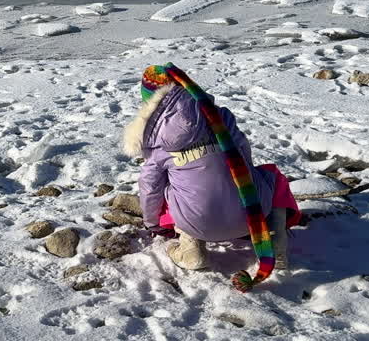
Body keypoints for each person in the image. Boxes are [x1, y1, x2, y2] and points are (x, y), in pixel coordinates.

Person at [123, 63, 300, 291]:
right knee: (272, 177)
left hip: (197, 223)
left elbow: (149, 186)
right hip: (252, 212)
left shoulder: (156, 137)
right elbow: (243, 155)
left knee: (171, 187)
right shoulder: (219, 116)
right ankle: (275, 243)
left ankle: (192, 250)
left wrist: (152, 223)